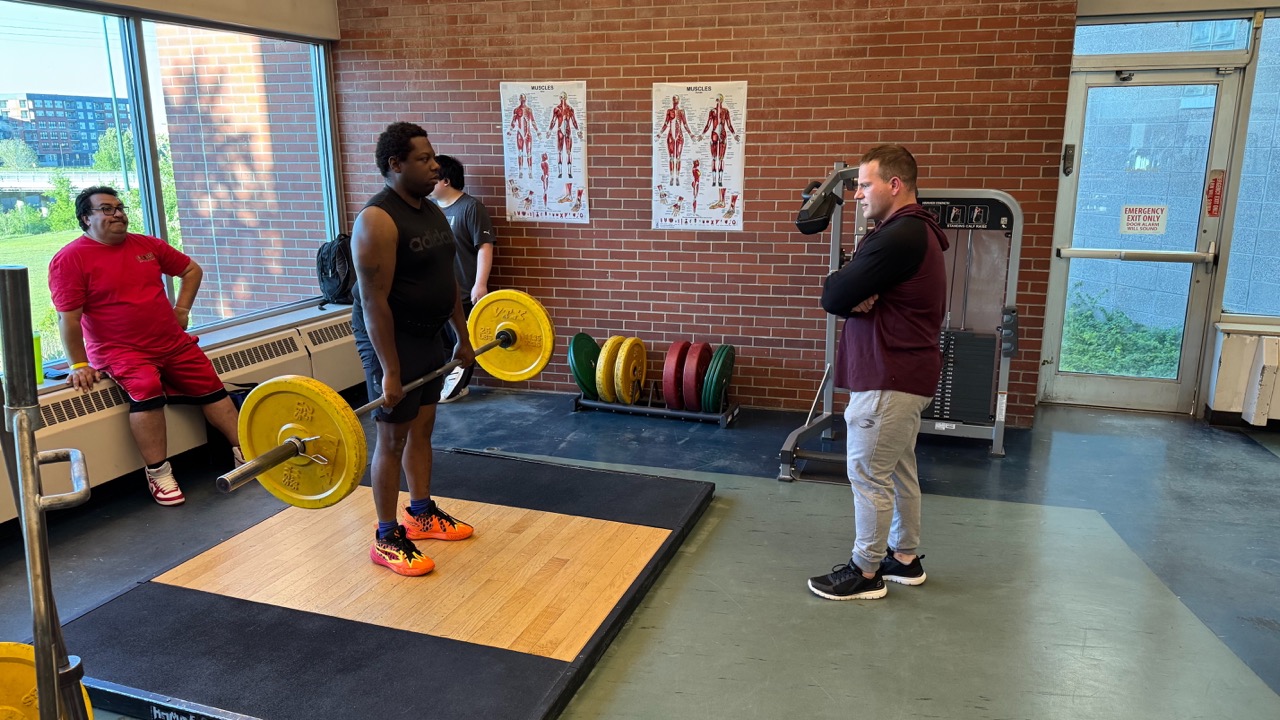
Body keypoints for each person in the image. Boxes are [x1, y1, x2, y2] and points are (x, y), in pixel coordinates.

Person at [809, 144, 949, 600]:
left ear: (894, 185)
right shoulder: (912, 231)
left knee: (868, 474)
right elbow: (846, 291)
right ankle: (903, 559)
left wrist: (851, 293)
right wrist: (854, 292)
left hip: (888, 377)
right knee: (898, 470)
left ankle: (865, 571)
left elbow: (834, 294)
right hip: (903, 374)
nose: (857, 195)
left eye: (865, 185)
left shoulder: (901, 234)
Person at [48, 186, 244, 507]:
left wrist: (182, 310)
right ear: (85, 218)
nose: (118, 214)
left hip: (171, 342)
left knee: (212, 388)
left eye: (120, 207)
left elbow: (191, 270)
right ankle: (159, 473)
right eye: (107, 209)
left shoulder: (147, 245)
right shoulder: (70, 259)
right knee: (146, 388)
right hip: (120, 351)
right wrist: (79, 365)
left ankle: (246, 453)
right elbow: (68, 319)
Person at [351, 122, 476, 577]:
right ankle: (386, 536)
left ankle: (420, 513)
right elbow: (373, 303)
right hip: (391, 339)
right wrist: (389, 369)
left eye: (433, 157)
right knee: (392, 436)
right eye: (424, 159)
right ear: (396, 164)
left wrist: (462, 336)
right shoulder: (377, 220)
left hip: (428, 335)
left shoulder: (432, 211)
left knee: (422, 428)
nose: (435, 166)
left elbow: (448, 283)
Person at [431, 154, 496, 403]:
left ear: (446, 181)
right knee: (440, 344)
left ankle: (456, 388)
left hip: (464, 291)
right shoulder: (429, 210)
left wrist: (480, 284)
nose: (428, 181)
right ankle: (441, 385)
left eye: (433, 176)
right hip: (435, 292)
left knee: (463, 340)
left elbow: (485, 246)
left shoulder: (471, 207)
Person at [700, 93, 739, 191]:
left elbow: (729, 124)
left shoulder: (725, 111)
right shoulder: (713, 111)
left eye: (719, 99)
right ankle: (714, 180)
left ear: (721, 100)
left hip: (722, 135)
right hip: (715, 134)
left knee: (721, 158)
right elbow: (708, 124)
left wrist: (734, 135)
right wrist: (702, 134)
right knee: (714, 158)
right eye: (717, 99)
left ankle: (719, 180)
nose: (718, 101)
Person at [655, 95, 694, 186]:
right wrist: (660, 134)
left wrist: (690, 134)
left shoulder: (681, 112)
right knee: (672, 157)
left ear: (678, 101)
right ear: (672, 101)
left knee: (678, 157)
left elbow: (685, 124)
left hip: (679, 136)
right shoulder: (669, 111)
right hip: (671, 136)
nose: (675, 101)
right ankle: (672, 177)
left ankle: (677, 177)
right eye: (674, 100)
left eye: (676, 100)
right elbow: (666, 123)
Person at [546, 91, 581, 179]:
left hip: (568, 132)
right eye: (562, 97)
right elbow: (553, 121)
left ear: (566, 98)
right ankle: (560, 172)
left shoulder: (570, 109)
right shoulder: (557, 109)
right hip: (560, 132)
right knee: (560, 151)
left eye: (564, 97)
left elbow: (573, 120)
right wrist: (549, 130)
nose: (563, 99)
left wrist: (578, 130)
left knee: (568, 152)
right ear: (560, 98)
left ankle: (569, 172)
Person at [507, 94, 540, 179]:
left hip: (528, 134)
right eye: (522, 99)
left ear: (526, 100)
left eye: (524, 99)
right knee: (520, 153)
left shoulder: (529, 110)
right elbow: (513, 121)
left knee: (529, 153)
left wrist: (537, 131)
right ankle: (521, 171)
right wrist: (510, 130)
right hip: (520, 134)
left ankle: (530, 172)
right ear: (520, 100)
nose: (523, 101)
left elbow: (533, 121)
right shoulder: (516, 110)